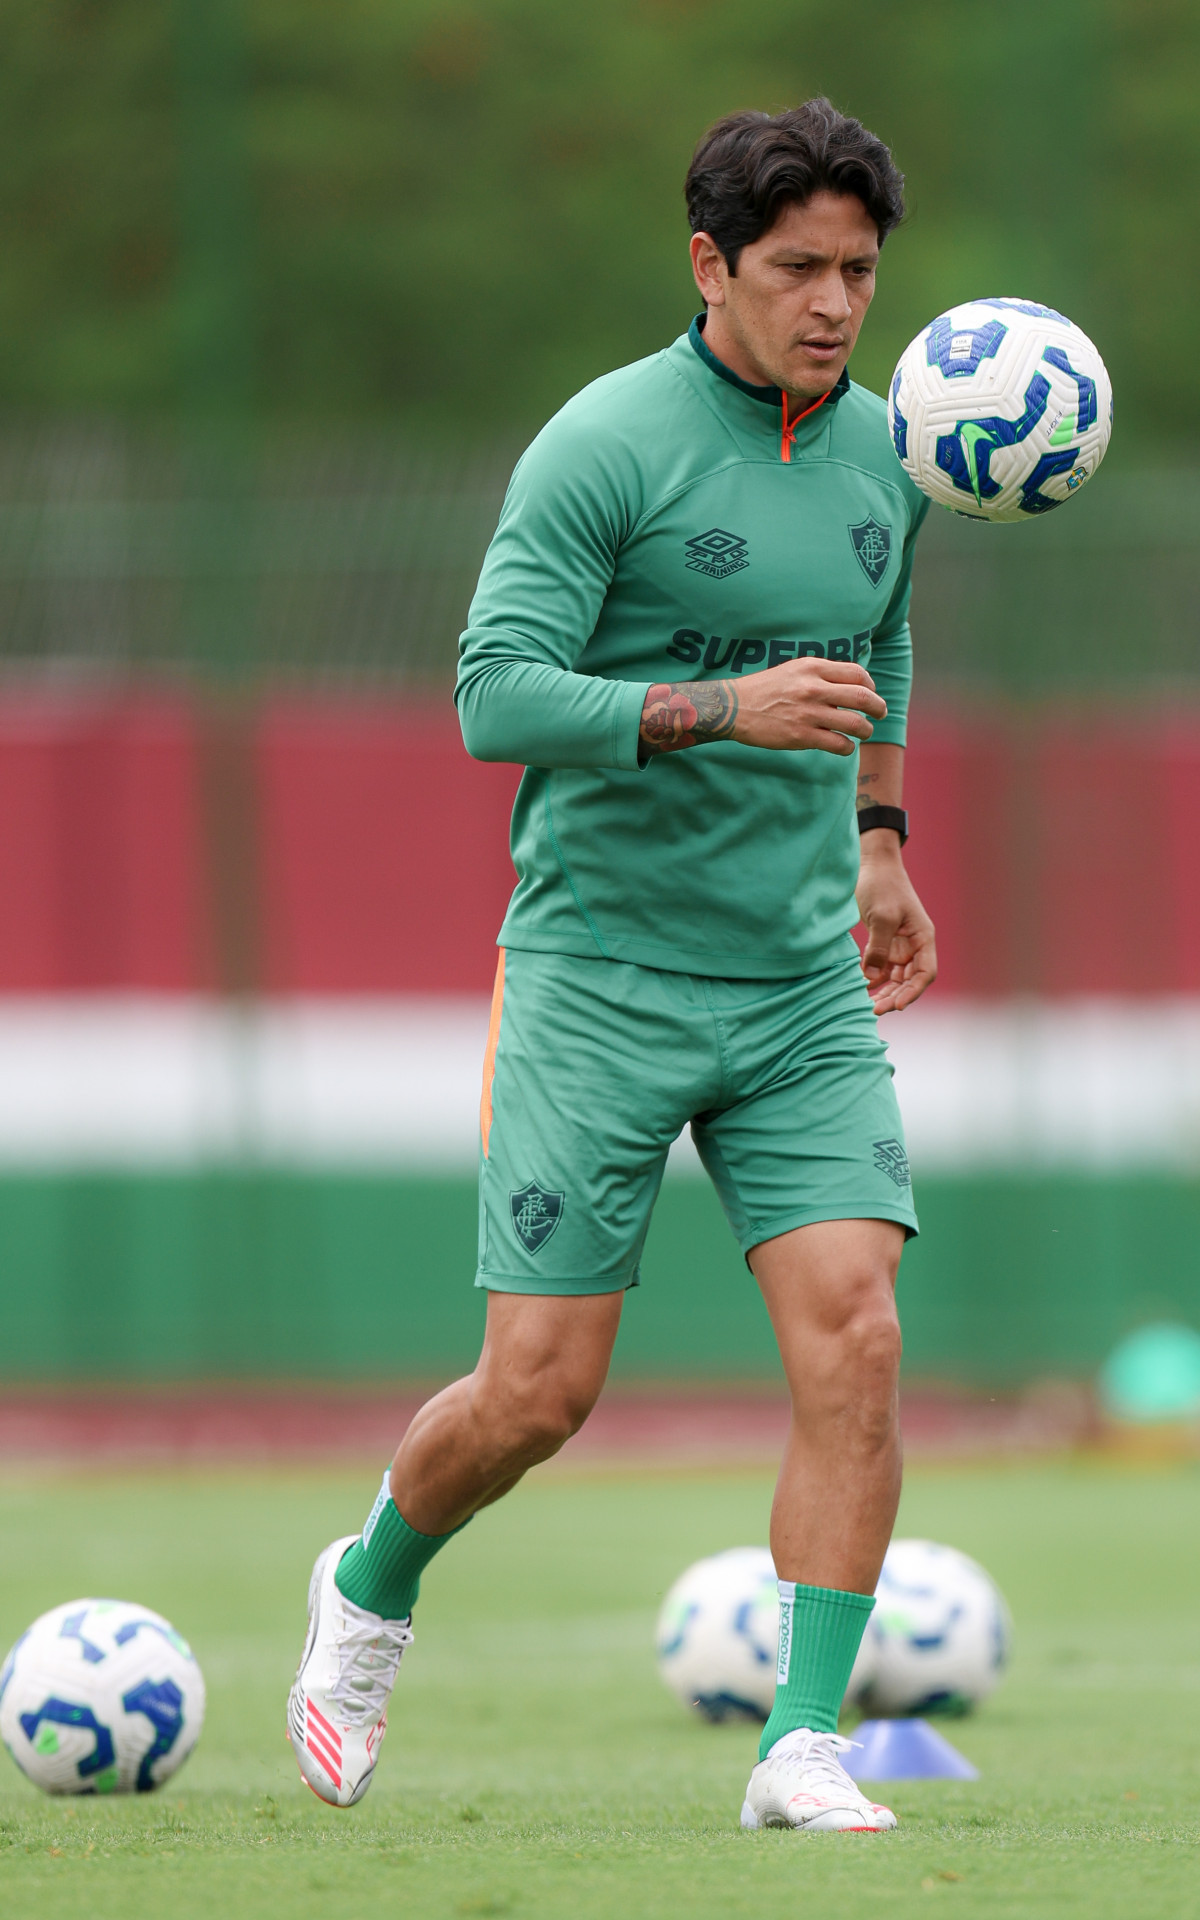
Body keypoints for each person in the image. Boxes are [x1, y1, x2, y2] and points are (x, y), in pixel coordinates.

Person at [287, 97, 937, 1834]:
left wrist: (880, 845)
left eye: (859, 270)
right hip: (600, 975)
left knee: (857, 1336)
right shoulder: (605, 445)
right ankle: (368, 1584)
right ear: (712, 264)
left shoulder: (894, 452)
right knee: (537, 1394)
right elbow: (493, 695)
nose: (833, 303)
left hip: (799, 982)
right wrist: (722, 705)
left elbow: (877, 640)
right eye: (798, 268)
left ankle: (803, 1741)